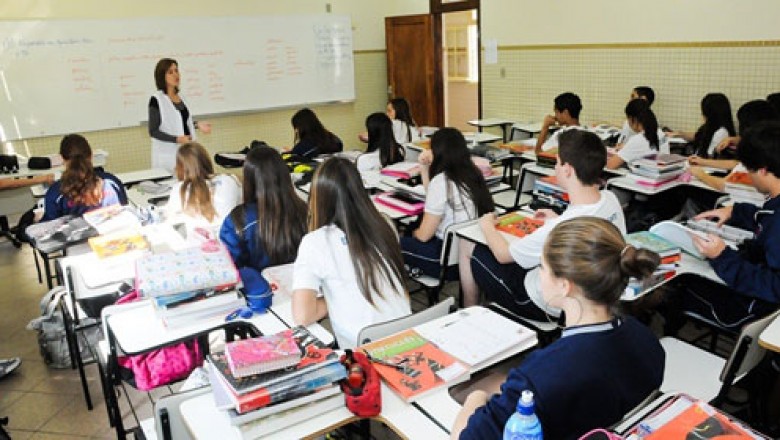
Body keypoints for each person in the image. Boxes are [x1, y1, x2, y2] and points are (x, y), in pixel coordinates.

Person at [452, 217, 665, 440]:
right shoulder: (647, 340)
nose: (539, 275)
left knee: (464, 391)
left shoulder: (541, 375)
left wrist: (476, 397)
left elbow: (467, 437)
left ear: (564, 286)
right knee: (492, 380)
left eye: (541, 267)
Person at [466, 130, 626, 313]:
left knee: (471, 246)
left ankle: (469, 310)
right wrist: (555, 219)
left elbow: (503, 255)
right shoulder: (610, 198)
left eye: (557, 162)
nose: (555, 167)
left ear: (567, 170)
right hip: (591, 295)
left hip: (539, 301)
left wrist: (487, 226)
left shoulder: (562, 227)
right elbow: (589, 230)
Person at [663, 121, 780, 335]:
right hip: (754, 291)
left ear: (763, 170)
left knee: (676, 286)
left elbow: (773, 287)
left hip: (752, 311)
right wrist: (733, 211)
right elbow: (763, 218)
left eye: (749, 170)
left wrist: (722, 256)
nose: (749, 176)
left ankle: (670, 340)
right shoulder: (774, 205)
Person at [291, 157, 411, 349]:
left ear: (318, 198)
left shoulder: (315, 242)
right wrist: (345, 292)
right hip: (408, 337)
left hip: (366, 352)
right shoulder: (385, 223)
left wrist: (335, 296)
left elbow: (302, 316)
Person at [400, 128, 494, 279]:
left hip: (445, 261)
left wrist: (412, 234)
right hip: (473, 257)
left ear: (438, 151)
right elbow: (434, 196)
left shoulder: (442, 181)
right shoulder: (473, 173)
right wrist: (424, 168)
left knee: (392, 242)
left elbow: (424, 236)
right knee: (414, 229)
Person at [220, 146, 307, 275]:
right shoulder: (304, 210)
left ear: (248, 179)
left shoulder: (238, 220)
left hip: (260, 291)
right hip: (303, 287)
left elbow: (229, 267)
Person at [688, 99, 779, 192]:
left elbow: (724, 185)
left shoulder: (756, 153)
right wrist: (702, 161)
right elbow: (738, 164)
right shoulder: (772, 144)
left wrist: (701, 175)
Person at [41, 134, 127, 221]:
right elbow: (124, 209)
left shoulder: (56, 192)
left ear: (62, 158)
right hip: (115, 232)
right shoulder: (112, 181)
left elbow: (50, 226)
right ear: (91, 155)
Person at [148, 58, 211, 172]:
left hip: (186, 152)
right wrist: (177, 139)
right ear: (162, 76)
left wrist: (197, 125)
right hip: (168, 155)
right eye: (170, 72)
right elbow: (153, 131)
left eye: (176, 70)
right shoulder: (157, 99)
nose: (175, 75)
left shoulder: (181, 97)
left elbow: (179, 121)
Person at [164, 142, 241, 236]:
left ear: (180, 168)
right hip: (230, 240)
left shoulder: (179, 189)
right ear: (206, 161)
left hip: (199, 244)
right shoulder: (230, 180)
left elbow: (169, 218)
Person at [606, 98, 669, 169]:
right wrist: (626, 147)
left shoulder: (638, 140)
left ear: (633, 119)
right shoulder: (660, 133)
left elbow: (610, 166)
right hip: (662, 174)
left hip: (643, 177)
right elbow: (646, 149)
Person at [670, 93, 736, 158]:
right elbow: (697, 136)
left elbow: (710, 159)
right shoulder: (710, 127)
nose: (702, 114)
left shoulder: (721, 132)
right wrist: (679, 134)